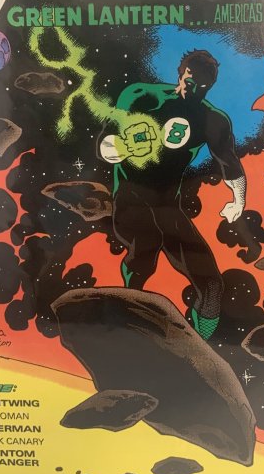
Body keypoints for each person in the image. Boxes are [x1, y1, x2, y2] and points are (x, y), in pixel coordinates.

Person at [99, 49, 246, 340]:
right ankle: (127, 325)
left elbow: (230, 164)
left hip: (169, 207)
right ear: (181, 74)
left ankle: (200, 344)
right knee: (145, 250)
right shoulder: (141, 96)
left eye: (203, 86)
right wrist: (123, 148)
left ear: (211, 85)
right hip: (131, 199)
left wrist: (238, 200)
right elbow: (104, 144)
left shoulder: (212, 120)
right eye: (191, 82)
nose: (195, 90)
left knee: (212, 285)